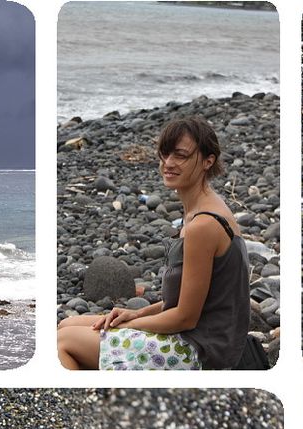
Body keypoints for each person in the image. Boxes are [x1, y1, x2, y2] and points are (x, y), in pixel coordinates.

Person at [57, 116, 250, 370]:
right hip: (202, 338)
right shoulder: (199, 210)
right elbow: (191, 301)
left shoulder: (204, 225)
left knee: (62, 342)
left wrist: (126, 326)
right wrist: (135, 313)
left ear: (208, 161)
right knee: (66, 324)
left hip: (197, 351)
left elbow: (185, 317)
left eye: (180, 155)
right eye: (164, 155)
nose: (168, 164)